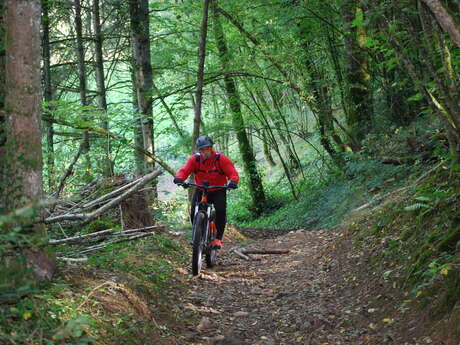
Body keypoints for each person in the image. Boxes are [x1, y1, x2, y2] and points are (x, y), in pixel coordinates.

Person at [173, 135, 239, 249]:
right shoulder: (195, 159)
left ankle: (218, 239)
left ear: (211, 148)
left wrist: (233, 182)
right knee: (194, 210)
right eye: (202, 150)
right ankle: (198, 235)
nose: (205, 152)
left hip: (218, 189)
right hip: (201, 189)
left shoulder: (221, 159)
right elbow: (185, 170)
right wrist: (180, 178)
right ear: (199, 151)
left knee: (220, 211)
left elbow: (232, 172)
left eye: (207, 149)